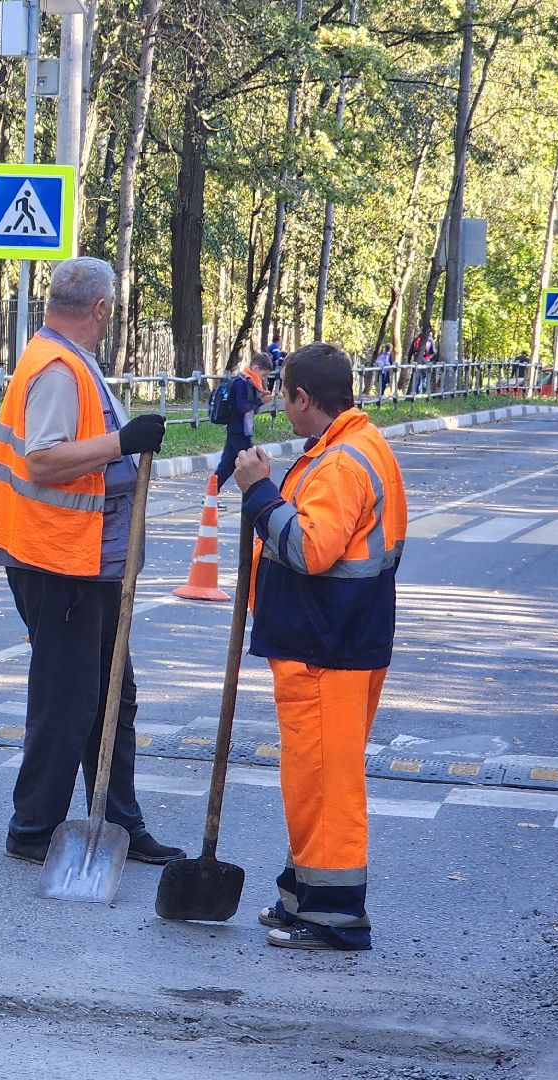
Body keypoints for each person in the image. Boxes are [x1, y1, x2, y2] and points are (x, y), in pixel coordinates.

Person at [0, 256, 183, 867]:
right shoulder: (58, 369)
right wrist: (123, 442)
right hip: (59, 560)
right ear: (101, 309)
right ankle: (34, 828)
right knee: (68, 700)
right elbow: (43, 460)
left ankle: (119, 820)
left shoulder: (66, 358)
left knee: (113, 693)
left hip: (88, 560)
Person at [232, 342, 408, 952]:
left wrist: (259, 494)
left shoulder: (340, 464)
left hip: (326, 645)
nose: (281, 408)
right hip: (339, 638)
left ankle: (333, 914)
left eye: (284, 397)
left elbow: (310, 550)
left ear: (304, 398)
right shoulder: (358, 446)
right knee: (312, 778)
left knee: (327, 784)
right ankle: (303, 894)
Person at [213, 352, 272, 493]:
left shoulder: (249, 383)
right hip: (238, 429)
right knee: (251, 463)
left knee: (227, 465)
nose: (263, 378)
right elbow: (242, 407)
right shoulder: (241, 383)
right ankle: (257, 494)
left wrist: (260, 398)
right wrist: (260, 401)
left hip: (242, 429)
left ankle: (211, 492)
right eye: (263, 375)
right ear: (256, 368)